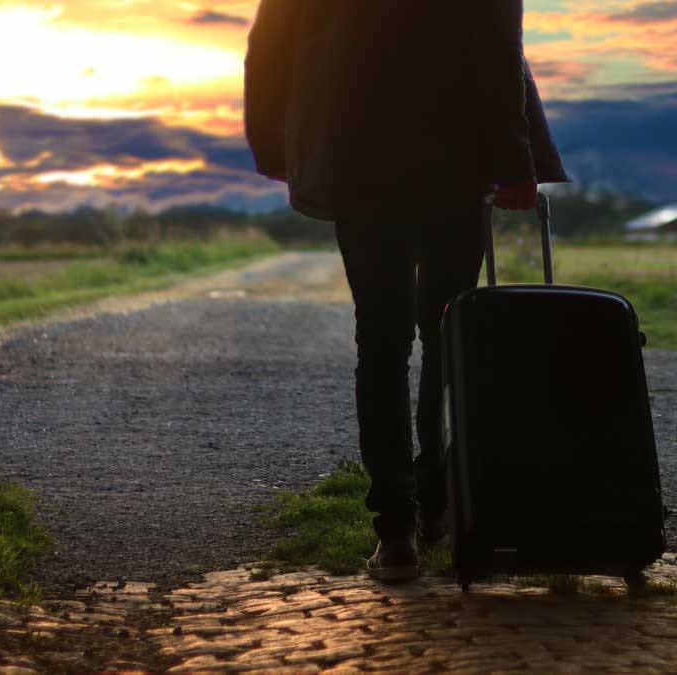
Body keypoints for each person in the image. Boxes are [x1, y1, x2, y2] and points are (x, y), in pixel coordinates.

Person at [244, 0, 569, 581]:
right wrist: (515, 161)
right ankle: (439, 502)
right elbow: (497, 46)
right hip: (456, 157)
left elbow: (271, 43)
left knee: (382, 339)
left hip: (355, 154)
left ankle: (396, 531)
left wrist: (277, 143)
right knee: (447, 335)